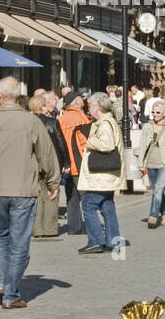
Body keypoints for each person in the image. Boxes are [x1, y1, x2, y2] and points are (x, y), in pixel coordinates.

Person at [0, 77, 61, 308]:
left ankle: (0, 282)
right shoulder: (30, 120)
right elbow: (46, 153)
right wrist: (53, 182)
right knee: (19, 242)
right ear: (18, 96)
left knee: (1, 238)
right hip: (23, 189)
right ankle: (10, 294)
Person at [76, 92, 123, 253]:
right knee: (107, 206)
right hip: (107, 175)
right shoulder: (108, 121)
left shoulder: (105, 124)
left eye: (90, 106)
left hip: (101, 175)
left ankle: (96, 240)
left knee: (88, 205)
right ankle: (113, 240)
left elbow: (107, 145)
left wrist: (88, 141)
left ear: (97, 107)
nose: (89, 109)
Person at [27, 95, 68, 238]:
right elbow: (61, 144)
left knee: (37, 195)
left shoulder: (27, 123)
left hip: (33, 163)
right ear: (42, 106)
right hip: (52, 161)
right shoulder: (52, 122)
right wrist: (66, 162)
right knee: (52, 194)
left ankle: (37, 229)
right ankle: (50, 229)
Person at [137, 99, 165, 228]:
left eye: (158, 112)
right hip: (150, 163)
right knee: (157, 190)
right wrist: (140, 163)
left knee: (158, 190)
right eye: (153, 112)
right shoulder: (147, 127)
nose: (155, 115)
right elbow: (142, 146)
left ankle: (153, 216)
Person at [57, 92, 91, 236]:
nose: (83, 101)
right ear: (75, 103)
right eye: (80, 99)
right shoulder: (82, 118)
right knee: (86, 197)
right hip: (79, 161)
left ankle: (74, 227)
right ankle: (90, 226)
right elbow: (87, 141)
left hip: (66, 163)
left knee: (71, 197)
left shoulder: (61, 119)